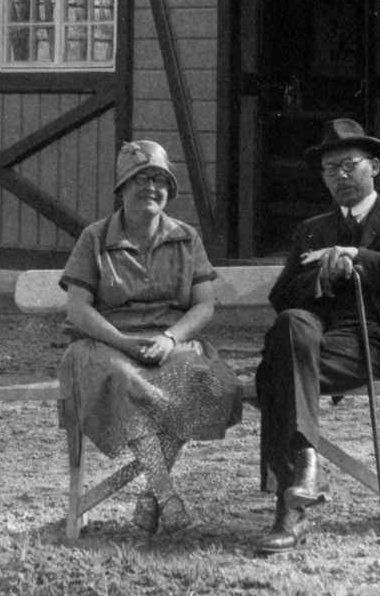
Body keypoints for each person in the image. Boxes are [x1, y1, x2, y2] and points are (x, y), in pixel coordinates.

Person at [253, 118, 380, 555]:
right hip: (321, 341)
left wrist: (358, 257)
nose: (341, 176)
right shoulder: (311, 229)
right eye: (330, 170)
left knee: (279, 371)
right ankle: (307, 465)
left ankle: (290, 511)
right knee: (290, 326)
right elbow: (281, 295)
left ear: (374, 167)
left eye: (349, 164)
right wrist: (321, 279)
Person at [58, 140, 243, 534]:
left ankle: (150, 495)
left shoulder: (186, 238)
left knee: (203, 377)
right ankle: (166, 495)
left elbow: (204, 305)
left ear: (170, 191)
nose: (150, 188)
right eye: (139, 179)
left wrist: (171, 339)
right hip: (105, 346)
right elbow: (78, 309)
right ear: (122, 188)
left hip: (167, 344)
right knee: (124, 378)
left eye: (160, 180)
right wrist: (123, 342)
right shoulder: (94, 238)